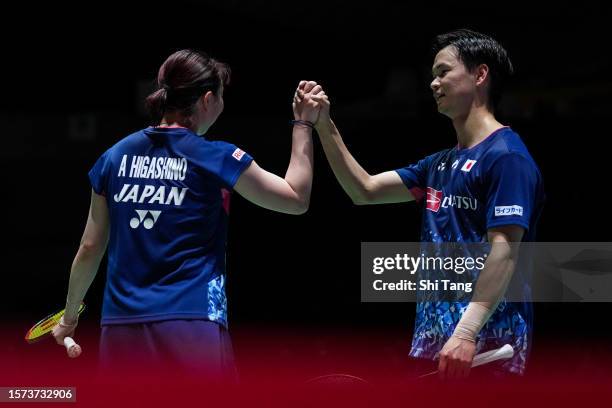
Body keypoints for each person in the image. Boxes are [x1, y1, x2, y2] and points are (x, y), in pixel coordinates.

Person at [51, 49, 325, 380]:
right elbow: (295, 198)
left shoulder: (114, 156)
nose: (222, 107)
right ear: (207, 99)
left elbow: (90, 249)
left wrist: (69, 317)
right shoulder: (215, 157)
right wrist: (302, 124)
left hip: (121, 329)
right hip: (193, 322)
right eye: (222, 97)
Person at [305, 29, 545, 378]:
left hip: (487, 348)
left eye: (443, 72)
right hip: (441, 347)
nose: (433, 83)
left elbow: (504, 250)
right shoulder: (440, 165)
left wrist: (466, 332)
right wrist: (324, 126)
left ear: (480, 75)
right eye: (432, 75)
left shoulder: (506, 158)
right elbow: (365, 190)